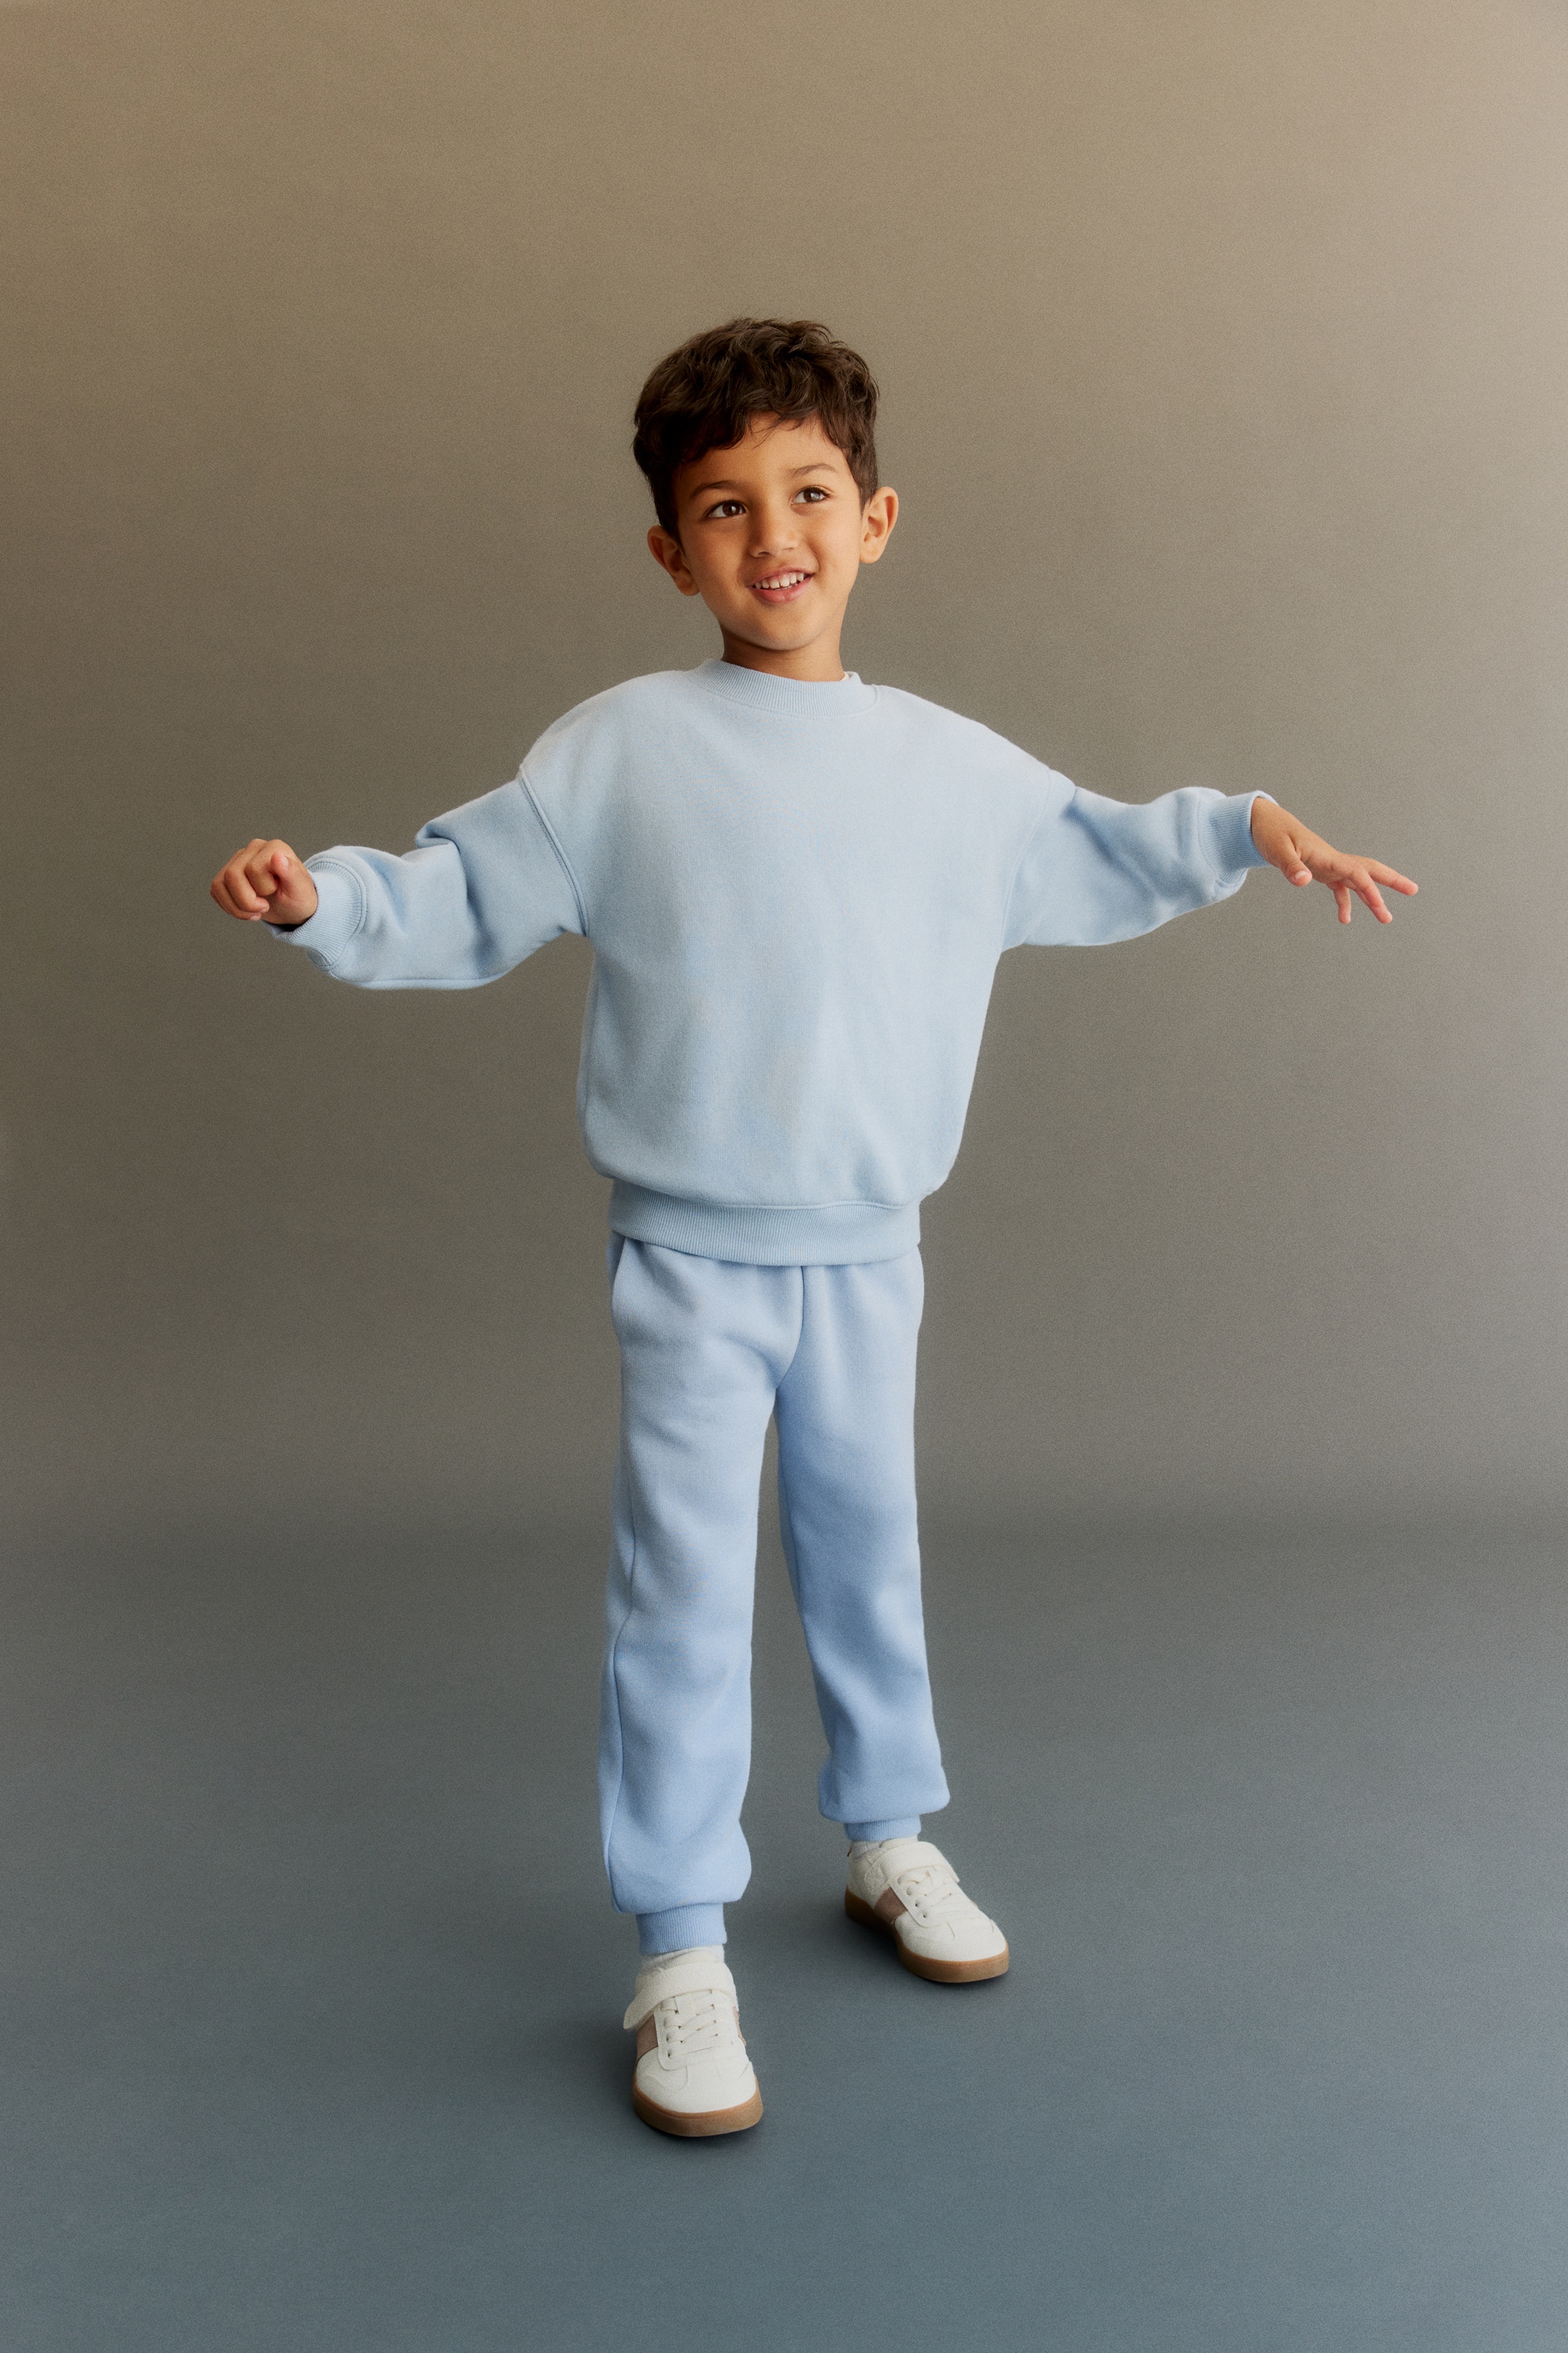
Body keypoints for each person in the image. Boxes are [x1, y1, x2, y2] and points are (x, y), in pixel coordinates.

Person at [210, 318, 1416, 2140]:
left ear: (875, 519)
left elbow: (1102, 845)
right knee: (684, 1595)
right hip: (692, 1262)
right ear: (670, 550)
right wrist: (324, 900)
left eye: (808, 494)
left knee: (869, 1555)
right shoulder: (615, 754)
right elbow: (458, 894)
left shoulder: (952, 770)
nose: (772, 534)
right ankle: (679, 1946)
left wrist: (1252, 828)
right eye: (724, 507)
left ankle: (887, 1836)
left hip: (870, 1250)